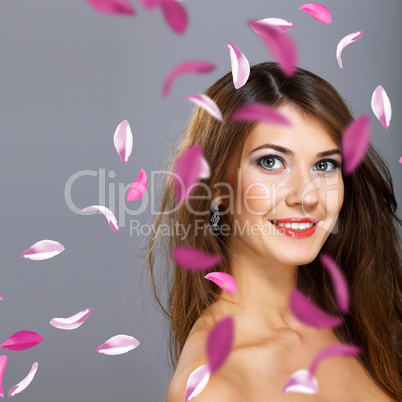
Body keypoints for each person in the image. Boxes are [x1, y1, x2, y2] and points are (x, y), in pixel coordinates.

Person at [144, 62, 401, 401]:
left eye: (325, 165)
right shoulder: (215, 386)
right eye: (271, 162)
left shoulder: (363, 323)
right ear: (216, 186)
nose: (306, 196)